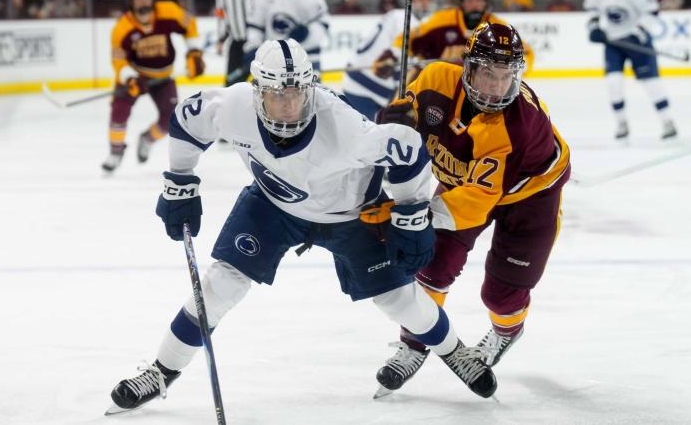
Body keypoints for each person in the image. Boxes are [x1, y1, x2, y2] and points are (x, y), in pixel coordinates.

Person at [106, 39, 498, 414]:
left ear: (311, 89)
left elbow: (408, 150)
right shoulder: (234, 105)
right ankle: (161, 371)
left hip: (352, 216)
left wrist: (410, 216)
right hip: (274, 206)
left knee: (399, 301)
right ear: (257, 91)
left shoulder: (344, 128)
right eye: (277, 94)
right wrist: (180, 181)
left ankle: (454, 351)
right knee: (220, 285)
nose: (289, 105)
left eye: (297, 94)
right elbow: (187, 119)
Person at [372, 23, 571, 397]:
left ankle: (506, 331)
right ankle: (414, 342)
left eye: (506, 76)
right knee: (431, 265)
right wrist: (391, 123)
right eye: (489, 74)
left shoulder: (517, 127)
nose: (497, 87)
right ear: (469, 67)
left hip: (531, 195)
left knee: (502, 293)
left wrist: (415, 217)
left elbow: (476, 203)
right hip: (466, 179)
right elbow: (400, 130)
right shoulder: (435, 78)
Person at [101, 0, 205, 173]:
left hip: (163, 77)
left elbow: (190, 25)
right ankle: (115, 151)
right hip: (136, 76)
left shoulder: (168, 11)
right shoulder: (122, 28)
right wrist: (130, 78)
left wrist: (194, 53)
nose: (144, 1)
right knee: (119, 111)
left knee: (170, 119)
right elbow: (119, 62)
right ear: (131, 1)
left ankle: (147, 139)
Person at [374, 0, 534, 84]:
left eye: (479, 0)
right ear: (461, 2)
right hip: (438, 83)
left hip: (481, 89)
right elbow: (409, 39)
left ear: (486, 3)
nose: (474, 5)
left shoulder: (497, 27)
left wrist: (505, 71)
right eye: (469, 0)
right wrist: (393, 55)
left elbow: (526, 54)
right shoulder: (442, 20)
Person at [584, 0, 677, 140]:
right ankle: (621, 123)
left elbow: (651, 11)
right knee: (613, 82)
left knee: (651, 82)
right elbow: (592, 10)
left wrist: (637, 33)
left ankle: (667, 121)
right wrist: (594, 27)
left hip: (638, 40)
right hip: (613, 41)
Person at [342, 0, 437, 120]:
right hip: (364, 86)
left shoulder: (397, 15)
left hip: (364, 80)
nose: (424, 3)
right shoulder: (408, 22)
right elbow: (404, 69)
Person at [240, 0, 329, 77]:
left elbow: (323, 24)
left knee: (310, 86)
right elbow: (255, 27)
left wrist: (308, 33)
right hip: (274, 60)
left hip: (307, 57)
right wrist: (254, 48)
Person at [214, 0, 264, 86]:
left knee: (264, 81)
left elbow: (266, 7)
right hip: (236, 42)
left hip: (257, 43)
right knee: (231, 83)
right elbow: (220, 14)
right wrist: (221, 38)